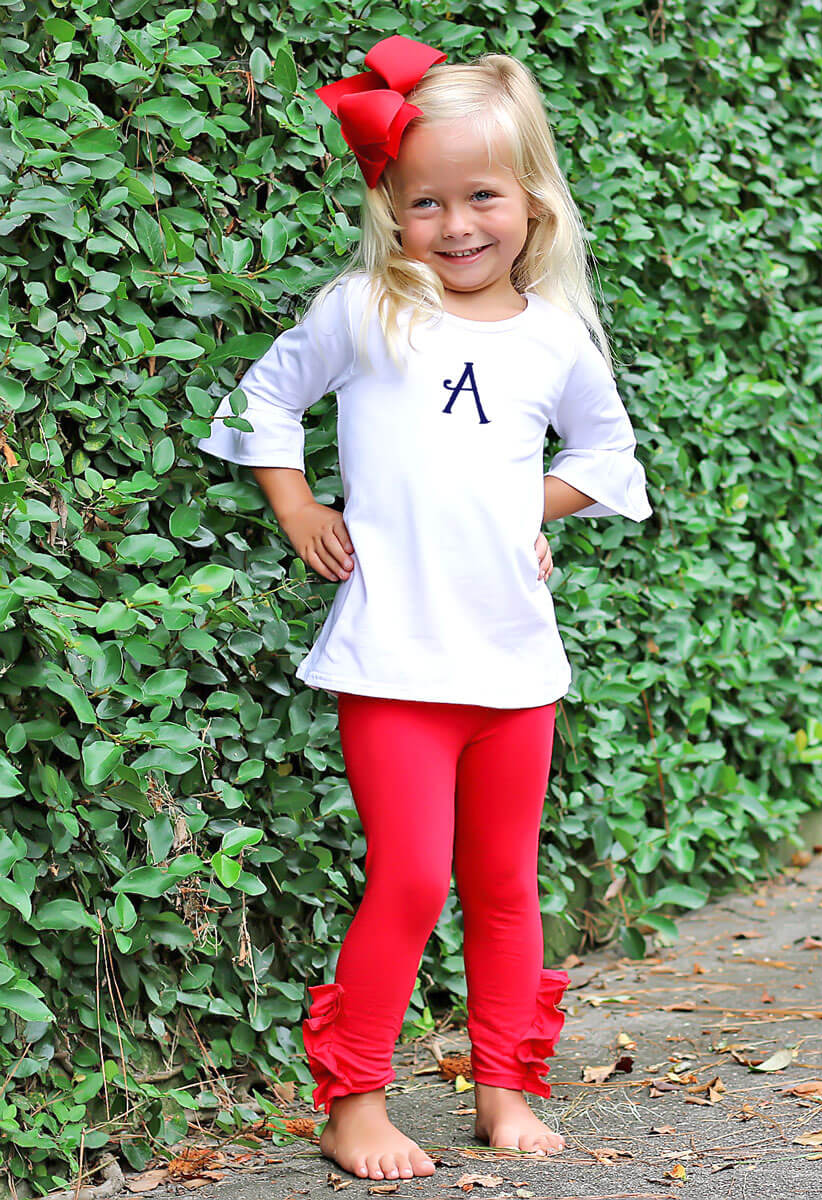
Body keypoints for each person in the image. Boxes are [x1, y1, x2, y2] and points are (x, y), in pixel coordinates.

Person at [192, 33, 652, 1185]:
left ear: (534, 201)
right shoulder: (367, 310)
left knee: (504, 885)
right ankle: (353, 1100)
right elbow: (265, 396)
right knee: (408, 878)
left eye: (482, 196)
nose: (456, 226)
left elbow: (606, 453)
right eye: (425, 200)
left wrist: (523, 511)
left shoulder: (556, 336)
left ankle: (508, 1084)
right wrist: (294, 503)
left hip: (513, 667)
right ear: (389, 205)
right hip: (396, 660)